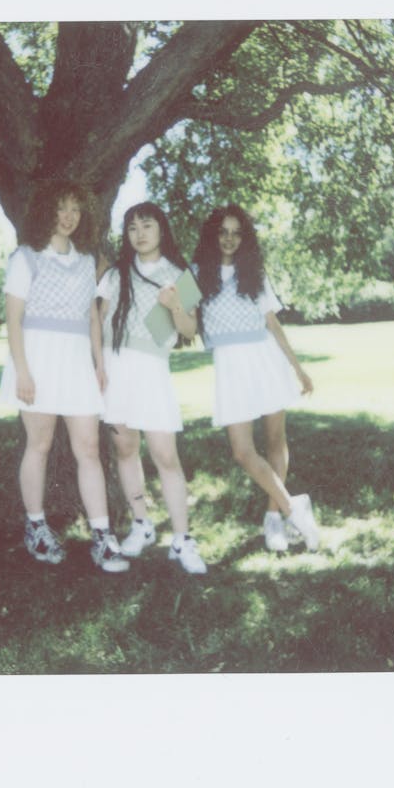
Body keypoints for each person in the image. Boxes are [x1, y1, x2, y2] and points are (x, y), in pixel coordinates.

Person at [0, 180, 129, 573]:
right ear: (46, 212)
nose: (69, 217)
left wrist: (99, 364)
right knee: (38, 445)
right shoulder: (25, 258)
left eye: (75, 209)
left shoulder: (87, 260)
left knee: (88, 448)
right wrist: (23, 370)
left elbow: (91, 316)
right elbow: (13, 320)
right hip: (36, 361)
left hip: (76, 365)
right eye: (61, 208)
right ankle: (36, 526)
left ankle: (103, 537)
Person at [191, 203, 320, 552]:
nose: (229, 239)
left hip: (266, 359)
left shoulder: (254, 274)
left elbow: (272, 324)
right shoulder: (195, 275)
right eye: (223, 232)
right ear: (212, 235)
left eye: (236, 232)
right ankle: (296, 509)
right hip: (230, 367)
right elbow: (177, 324)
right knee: (243, 451)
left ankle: (273, 518)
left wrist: (298, 368)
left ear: (244, 238)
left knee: (275, 441)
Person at [94, 202, 207, 574]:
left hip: (153, 369)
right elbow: (100, 320)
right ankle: (141, 524)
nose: (140, 234)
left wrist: (175, 306)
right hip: (116, 367)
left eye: (147, 225)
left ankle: (182, 539)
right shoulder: (116, 274)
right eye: (132, 228)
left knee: (165, 454)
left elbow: (189, 331)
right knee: (124, 447)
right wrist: (100, 366)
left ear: (162, 229)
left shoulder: (180, 275)